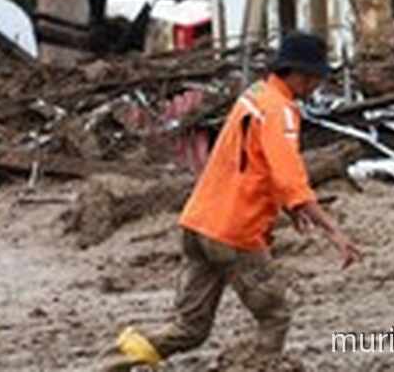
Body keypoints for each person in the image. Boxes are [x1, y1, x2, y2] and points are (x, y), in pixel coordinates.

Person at [99, 32, 363, 371]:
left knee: (190, 329)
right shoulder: (280, 111)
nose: (316, 86)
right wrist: (334, 231)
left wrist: (290, 208)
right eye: (315, 78)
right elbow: (290, 179)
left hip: (199, 224)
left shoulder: (253, 96)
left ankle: (111, 362)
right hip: (235, 232)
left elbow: (253, 163)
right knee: (275, 315)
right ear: (299, 74)